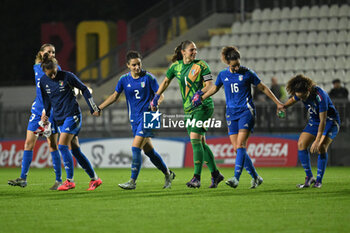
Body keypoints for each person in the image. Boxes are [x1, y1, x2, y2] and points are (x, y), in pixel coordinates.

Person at [193, 46, 284, 189]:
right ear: (227, 63)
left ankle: (236, 177)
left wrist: (278, 103)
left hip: (246, 112)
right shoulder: (223, 75)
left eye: (238, 64)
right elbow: (215, 89)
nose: (236, 68)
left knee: (241, 145)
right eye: (233, 65)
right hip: (231, 113)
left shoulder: (248, 73)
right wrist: (202, 98)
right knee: (237, 148)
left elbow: (264, 88)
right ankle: (256, 177)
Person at [95, 51, 175, 190]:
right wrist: (100, 107)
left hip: (149, 116)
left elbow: (160, 95)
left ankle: (132, 181)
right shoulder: (124, 80)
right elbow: (115, 96)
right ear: (128, 65)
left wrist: (156, 103)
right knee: (149, 151)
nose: (137, 67)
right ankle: (168, 174)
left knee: (135, 147)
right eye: (134, 65)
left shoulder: (149, 78)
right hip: (135, 119)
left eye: (139, 64)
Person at [151, 40, 224, 189]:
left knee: (195, 140)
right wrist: (157, 96)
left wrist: (200, 93)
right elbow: (165, 82)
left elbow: (209, 85)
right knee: (201, 143)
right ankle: (216, 174)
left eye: (195, 49)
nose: (195, 52)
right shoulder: (176, 67)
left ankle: (196, 178)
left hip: (203, 106)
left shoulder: (201, 65)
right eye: (192, 50)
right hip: (188, 108)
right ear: (183, 52)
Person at [39, 53, 102, 191]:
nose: (53, 76)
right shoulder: (43, 82)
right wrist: (46, 115)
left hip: (72, 115)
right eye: (50, 75)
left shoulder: (67, 76)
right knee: (76, 151)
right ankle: (95, 179)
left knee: (62, 146)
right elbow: (47, 100)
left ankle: (69, 181)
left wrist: (93, 107)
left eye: (55, 72)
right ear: (44, 72)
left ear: (57, 67)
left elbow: (84, 89)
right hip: (60, 118)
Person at [8, 44, 62, 190]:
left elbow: (54, 93)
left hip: (49, 113)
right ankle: (23, 178)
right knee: (28, 144)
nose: (51, 54)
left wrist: (47, 111)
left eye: (53, 52)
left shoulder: (58, 70)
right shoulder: (37, 68)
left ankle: (59, 180)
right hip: (37, 112)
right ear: (42, 53)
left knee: (52, 145)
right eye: (48, 51)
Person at [282, 74, 340, 188]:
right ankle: (309, 177)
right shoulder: (301, 92)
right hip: (314, 121)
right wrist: (283, 107)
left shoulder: (320, 96)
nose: (302, 99)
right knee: (301, 144)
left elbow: (323, 120)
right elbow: (293, 99)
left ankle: (319, 180)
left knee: (321, 147)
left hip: (330, 121)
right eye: (300, 97)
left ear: (308, 90)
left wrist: (317, 140)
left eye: (303, 96)